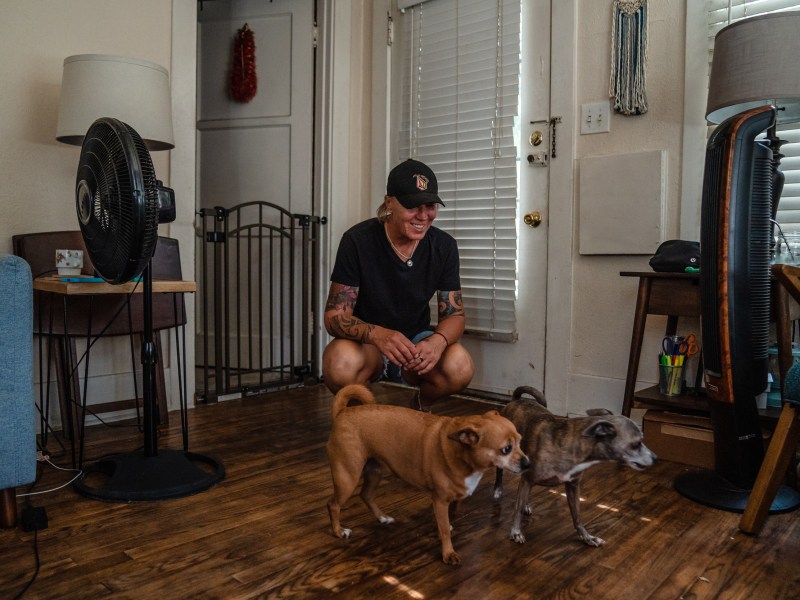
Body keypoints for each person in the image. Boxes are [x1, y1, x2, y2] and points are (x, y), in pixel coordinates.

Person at [322, 158, 474, 411]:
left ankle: (419, 407)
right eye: (413, 206)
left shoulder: (444, 246)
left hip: (416, 345)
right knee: (339, 363)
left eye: (430, 206)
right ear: (389, 203)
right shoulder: (357, 241)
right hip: (369, 346)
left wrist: (437, 342)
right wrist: (379, 335)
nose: (423, 216)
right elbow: (334, 317)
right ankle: (365, 419)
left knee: (460, 366)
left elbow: (454, 315)